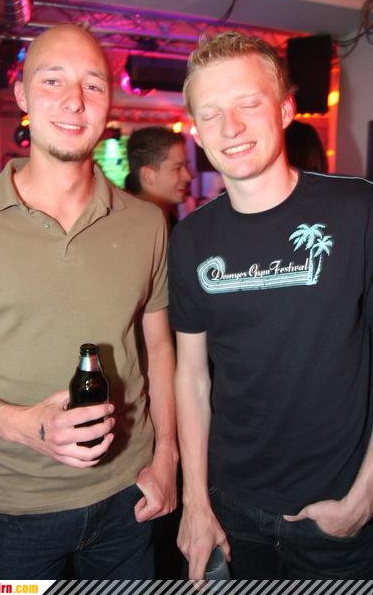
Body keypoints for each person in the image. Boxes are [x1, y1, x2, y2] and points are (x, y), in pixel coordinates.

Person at [0, 24, 177, 579]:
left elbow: (159, 349)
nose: (74, 101)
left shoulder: (147, 222)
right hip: (15, 512)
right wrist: (23, 425)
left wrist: (167, 457)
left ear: (109, 102)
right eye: (52, 80)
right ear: (21, 94)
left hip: (130, 499)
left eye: (93, 85)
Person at [168, 30, 373, 580]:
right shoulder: (190, 239)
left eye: (248, 104)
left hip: (339, 512)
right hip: (232, 510)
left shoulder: (358, 210)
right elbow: (191, 377)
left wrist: (363, 498)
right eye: (210, 113)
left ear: (284, 109)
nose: (230, 128)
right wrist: (195, 501)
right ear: (195, 132)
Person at [125, 126, 192, 230]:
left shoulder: (166, 220)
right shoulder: (131, 228)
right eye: (178, 168)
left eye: (186, 166)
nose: (188, 176)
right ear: (148, 175)